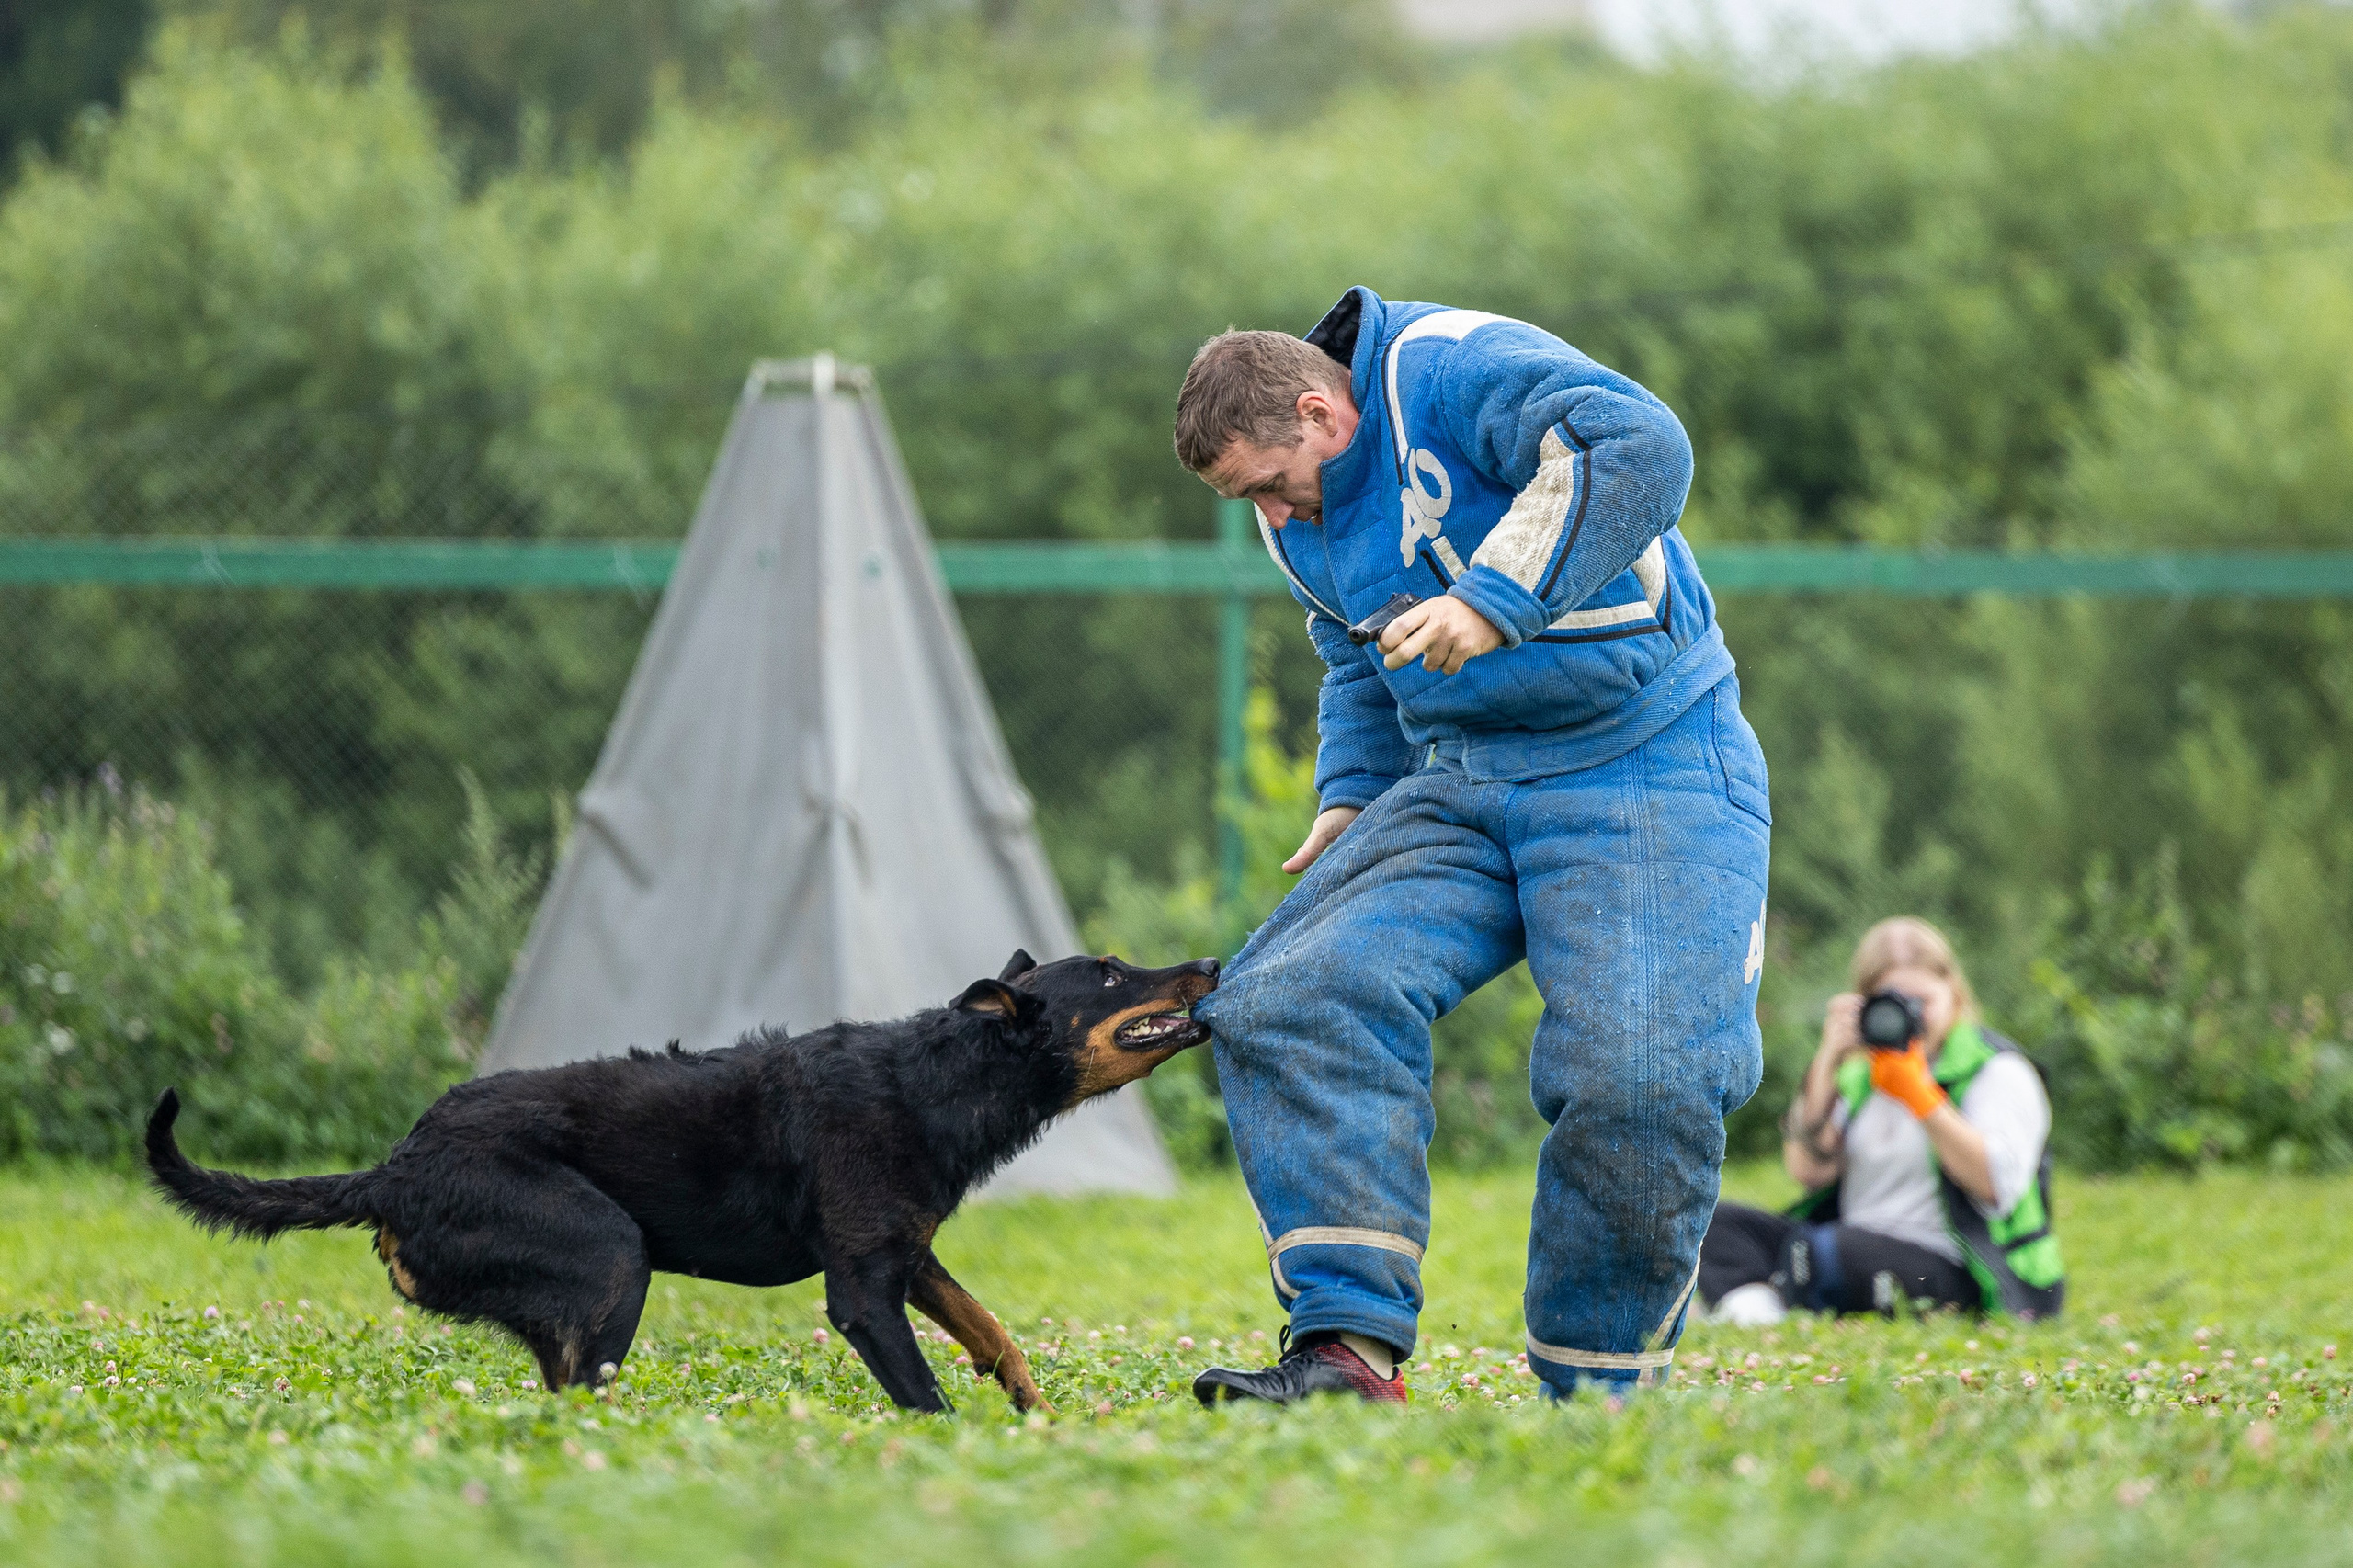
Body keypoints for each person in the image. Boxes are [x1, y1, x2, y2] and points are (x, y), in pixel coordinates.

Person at [1171, 289, 1772, 1405]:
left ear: (1321, 411)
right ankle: (1346, 1352)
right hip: (1460, 776)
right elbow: (1354, 646)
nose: (1274, 515)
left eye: (1268, 482)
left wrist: (1494, 600)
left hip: (1647, 757)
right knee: (1291, 993)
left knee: (1638, 1076)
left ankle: (1597, 1395)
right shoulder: (1290, 512)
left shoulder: (1448, 368)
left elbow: (1641, 442)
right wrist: (1353, 795)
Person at [1699, 916, 2065, 1325]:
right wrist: (1829, 1058)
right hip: (1854, 1241)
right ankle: (1769, 1306)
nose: (1909, 1015)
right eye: (1892, 1002)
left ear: (1955, 995)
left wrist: (1921, 1097)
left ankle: (1760, 1304)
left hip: (1956, 1261)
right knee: (1714, 1222)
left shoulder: (1998, 1071)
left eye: (1922, 1001)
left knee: (1830, 1253)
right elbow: (1807, 1171)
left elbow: (1997, 1187)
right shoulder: (1862, 1076)